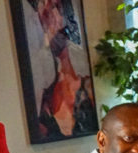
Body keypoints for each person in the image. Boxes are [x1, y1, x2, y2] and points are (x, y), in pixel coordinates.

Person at [27, 0, 97, 141]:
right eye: (45, 13)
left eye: (56, 7)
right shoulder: (41, 71)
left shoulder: (82, 62)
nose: (53, 18)